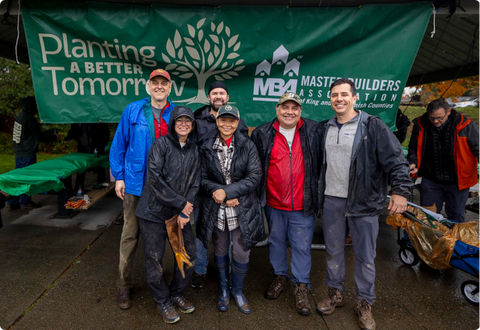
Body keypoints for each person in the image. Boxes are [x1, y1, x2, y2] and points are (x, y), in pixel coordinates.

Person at [317, 78, 411, 330]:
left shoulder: (372, 125)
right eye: (335, 94)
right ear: (330, 99)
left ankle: (364, 303)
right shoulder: (325, 128)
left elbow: (396, 160)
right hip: (332, 200)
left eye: (345, 94)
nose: (339, 99)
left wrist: (401, 191)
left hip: (364, 202)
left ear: (354, 98)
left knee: (365, 257)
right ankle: (335, 293)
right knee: (333, 251)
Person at [110, 68, 175, 310]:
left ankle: (160, 279)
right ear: (148, 86)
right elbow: (119, 143)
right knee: (130, 234)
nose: (159, 86)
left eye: (164, 83)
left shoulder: (176, 113)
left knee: (166, 236)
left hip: (165, 187)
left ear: (170, 87)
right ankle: (123, 284)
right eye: (155, 82)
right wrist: (118, 176)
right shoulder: (133, 110)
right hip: (136, 185)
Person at [251, 92, 320, 316]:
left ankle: (301, 286)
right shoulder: (263, 132)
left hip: (302, 202)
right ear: (277, 109)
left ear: (300, 111)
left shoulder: (313, 130)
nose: (289, 112)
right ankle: (280, 276)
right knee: (276, 241)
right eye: (285, 107)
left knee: (301, 246)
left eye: (294, 108)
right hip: (273, 202)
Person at [135, 106, 200, 324]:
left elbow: (196, 183)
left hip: (178, 216)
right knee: (154, 261)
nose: (184, 124)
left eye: (188, 121)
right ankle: (162, 300)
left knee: (188, 255)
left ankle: (175, 294)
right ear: (172, 123)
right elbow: (154, 180)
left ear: (192, 125)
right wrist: (183, 204)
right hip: (152, 213)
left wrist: (184, 209)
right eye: (179, 120)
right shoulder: (160, 145)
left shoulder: (194, 149)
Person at [199, 105, 264, 314]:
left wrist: (229, 192)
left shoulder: (247, 145)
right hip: (216, 209)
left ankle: (237, 291)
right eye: (223, 120)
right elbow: (201, 178)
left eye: (232, 121)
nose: (227, 124)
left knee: (242, 252)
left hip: (242, 208)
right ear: (217, 121)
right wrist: (218, 192)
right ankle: (224, 291)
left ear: (237, 123)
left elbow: (254, 176)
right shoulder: (206, 146)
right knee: (219, 249)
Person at [191, 81, 249, 289]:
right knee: (201, 229)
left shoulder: (238, 121)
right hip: (204, 186)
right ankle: (200, 269)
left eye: (222, 93)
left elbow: (242, 157)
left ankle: (230, 270)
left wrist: (233, 190)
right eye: (214, 93)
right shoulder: (197, 120)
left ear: (227, 97)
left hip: (230, 188)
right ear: (209, 97)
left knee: (229, 230)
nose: (218, 96)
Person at [408, 98, 480, 222]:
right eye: (432, 118)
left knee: (456, 217)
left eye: (439, 118)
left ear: (449, 112)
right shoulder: (421, 125)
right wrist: (413, 162)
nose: (435, 121)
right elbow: (413, 148)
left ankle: (454, 241)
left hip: (458, 181)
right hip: (431, 179)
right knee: (427, 217)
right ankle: (432, 241)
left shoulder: (466, 125)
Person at [7, 96, 57, 210]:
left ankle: (13, 200)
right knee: (27, 177)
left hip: (18, 152)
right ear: (32, 106)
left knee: (18, 177)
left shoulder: (20, 117)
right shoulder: (30, 119)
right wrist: (55, 137)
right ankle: (25, 200)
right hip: (27, 153)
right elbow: (39, 136)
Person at [65, 123, 110, 192]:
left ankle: (102, 187)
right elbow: (74, 129)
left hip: (97, 146)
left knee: (100, 166)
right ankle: (79, 188)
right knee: (81, 168)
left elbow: (105, 132)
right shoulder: (80, 119)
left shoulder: (98, 119)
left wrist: (102, 145)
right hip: (83, 146)